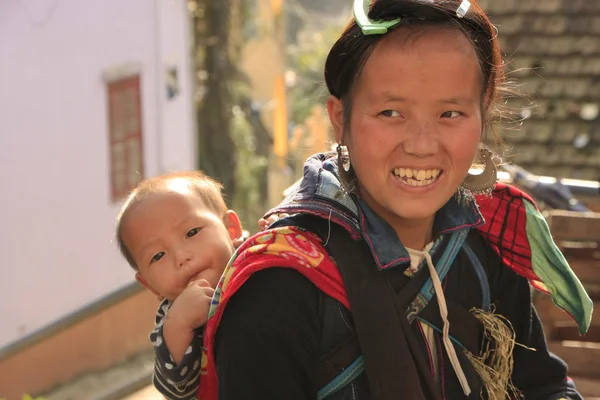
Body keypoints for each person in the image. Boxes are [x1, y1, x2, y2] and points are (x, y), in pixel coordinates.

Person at [166, 0, 594, 399]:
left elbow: (543, 385)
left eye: (451, 114)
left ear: (482, 114)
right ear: (341, 119)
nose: (423, 146)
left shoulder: (487, 238)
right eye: (391, 113)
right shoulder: (279, 287)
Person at [115, 171, 243, 400]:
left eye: (192, 232)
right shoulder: (172, 317)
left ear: (231, 228)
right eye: (158, 256)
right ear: (150, 285)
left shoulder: (257, 256)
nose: (181, 257)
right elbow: (176, 390)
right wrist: (179, 326)